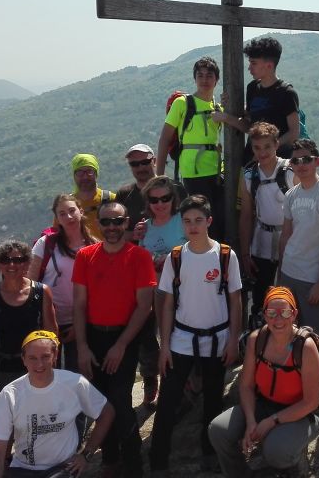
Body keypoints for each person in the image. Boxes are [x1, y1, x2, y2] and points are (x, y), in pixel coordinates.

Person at [149, 195, 242, 475]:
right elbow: (167, 304)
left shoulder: (225, 256)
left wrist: (234, 340)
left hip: (216, 338)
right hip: (181, 339)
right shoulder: (177, 257)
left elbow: (235, 299)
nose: (193, 226)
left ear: (209, 221)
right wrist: (164, 346)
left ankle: (209, 454)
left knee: (212, 401)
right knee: (168, 402)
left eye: (198, 220)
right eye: (187, 221)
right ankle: (157, 461)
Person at [72, 201, 155, 477]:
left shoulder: (139, 257)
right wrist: (82, 347)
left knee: (119, 399)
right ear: (99, 223)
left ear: (126, 222)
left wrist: (121, 345)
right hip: (93, 336)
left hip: (125, 335)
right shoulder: (85, 256)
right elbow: (79, 305)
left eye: (117, 222)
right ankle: (109, 459)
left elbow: (145, 306)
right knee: (100, 401)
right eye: (106, 222)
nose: (111, 228)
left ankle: (133, 463)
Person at [208, 287, 319, 477]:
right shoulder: (257, 339)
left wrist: (271, 422)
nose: (278, 319)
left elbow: (311, 402)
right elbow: (246, 386)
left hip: (301, 414)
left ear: (294, 314)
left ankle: (293, 469)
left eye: (285, 312)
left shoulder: (306, 347)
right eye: (271, 313)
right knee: (218, 430)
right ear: (265, 315)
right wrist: (252, 421)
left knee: (275, 450)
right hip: (263, 405)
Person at [0, 330, 116, 478]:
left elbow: (107, 412)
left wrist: (86, 455)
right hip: (22, 469)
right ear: (24, 359)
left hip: (63, 468)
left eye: (45, 356)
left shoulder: (74, 384)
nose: (39, 364)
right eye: (32, 358)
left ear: (55, 356)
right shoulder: (10, 394)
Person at [0, 240, 58, 413]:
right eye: (6, 260)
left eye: (18, 260)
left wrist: (53, 366)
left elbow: (51, 332)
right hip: (1, 370)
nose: (12, 264)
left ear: (27, 263)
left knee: (37, 422)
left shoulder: (42, 292)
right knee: (4, 430)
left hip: (36, 368)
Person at [277, 139, 319, 341]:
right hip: (289, 274)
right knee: (289, 335)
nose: (301, 165)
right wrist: (281, 275)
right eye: (296, 161)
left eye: (307, 159)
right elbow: (285, 237)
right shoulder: (291, 195)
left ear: (318, 161)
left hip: (313, 278)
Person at [130, 175, 186, 406]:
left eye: (166, 198)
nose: (160, 204)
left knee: (173, 336)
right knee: (148, 338)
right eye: (154, 200)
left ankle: (179, 384)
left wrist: (171, 256)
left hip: (179, 290)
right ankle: (151, 379)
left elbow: (197, 245)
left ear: (174, 199)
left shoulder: (184, 220)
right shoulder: (145, 228)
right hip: (150, 290)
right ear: (148, 202)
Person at [156, 56, 225, 239]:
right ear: (194, 79)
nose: (204, 80)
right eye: (200, 75)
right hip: (193, 173)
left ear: (216, 80)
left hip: (217, 172)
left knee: (218, 223)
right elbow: (164, 139)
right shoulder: (182, 103)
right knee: (202, 223)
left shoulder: (218, 108)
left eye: (209, 75)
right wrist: (160, 176)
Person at [28, 194, 98, 373]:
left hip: (82, 323)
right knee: (49, 375)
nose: (69, 217)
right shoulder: (46, 244)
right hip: (47, 322)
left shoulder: (95, 247)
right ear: (57, 219)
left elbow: (98, 291)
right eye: (62, 214)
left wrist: (79, 324)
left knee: (78, 377)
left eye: (72, 211)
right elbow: (30, 284)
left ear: (81, 212)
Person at [238, 121, 293, 323]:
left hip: (291, 241)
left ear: (277, 144)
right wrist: (245, 252)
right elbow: (246, 215)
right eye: (257, 147)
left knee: (289, 295)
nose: (262, 152)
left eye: (267, 146)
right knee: (261, 298)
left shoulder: (290, 171)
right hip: (261, 243)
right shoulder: (249, 175)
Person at [214, 36, 300, 162]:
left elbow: (293, 133)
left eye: (253, 63)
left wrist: (267, 150)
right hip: (251, 161)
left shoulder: (287, 93)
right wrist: (226, 116)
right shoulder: (252, 88)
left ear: (269, 66)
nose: (249, 68)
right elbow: (249, 126)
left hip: (278, 165)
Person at [70, 153, 116, 241]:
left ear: (96, 173)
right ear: (74, 176)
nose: (85, 176)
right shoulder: (67, 206)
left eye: (89, 171)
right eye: (80, 172)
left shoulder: (112, 199)